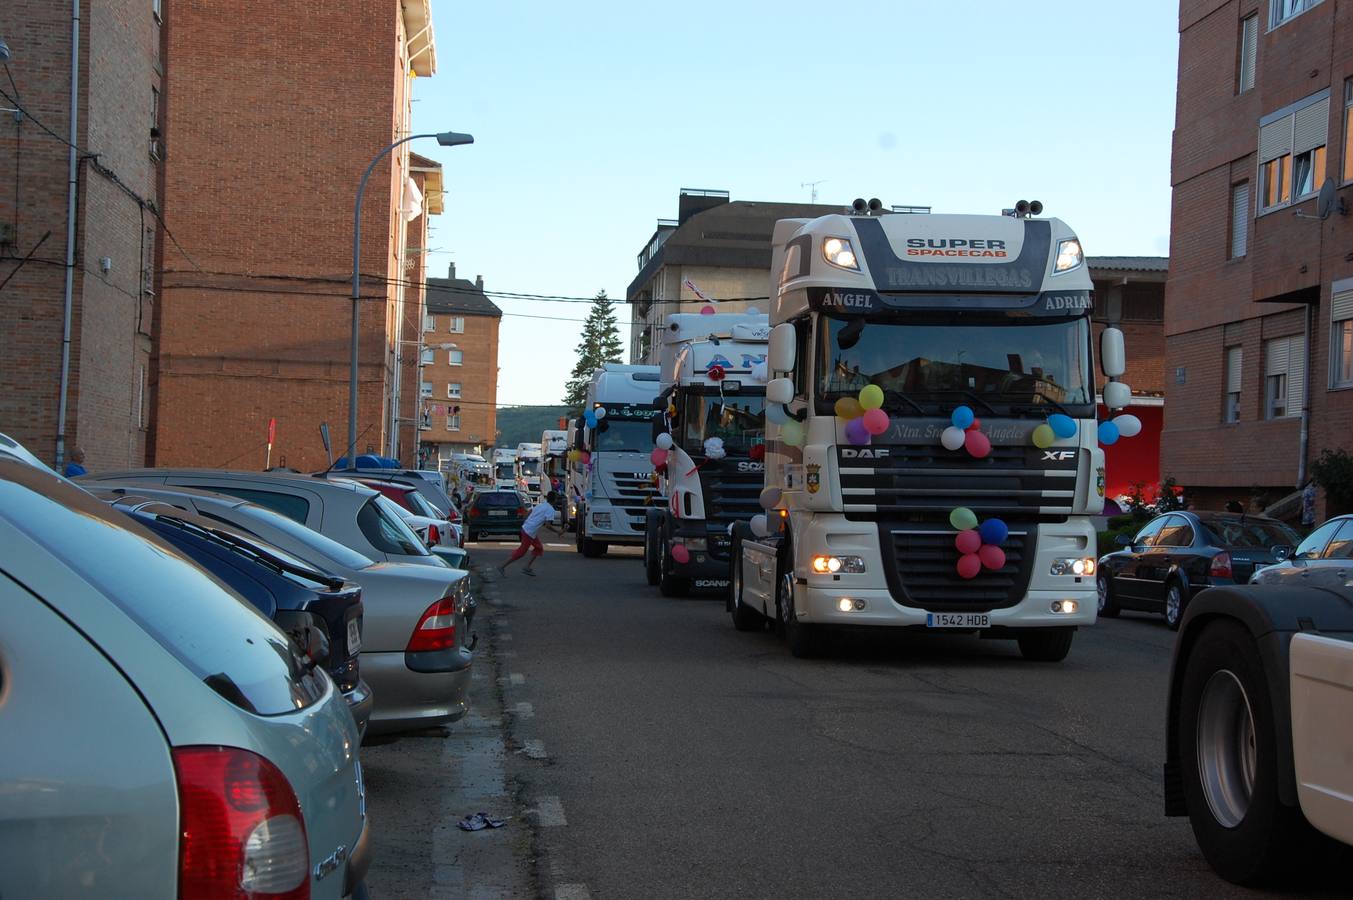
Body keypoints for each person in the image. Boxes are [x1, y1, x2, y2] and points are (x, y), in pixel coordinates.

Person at [498, 491, 561, 578]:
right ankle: (502, 566)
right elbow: (547, 525)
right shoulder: (550, 510)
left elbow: (530, 511)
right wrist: (558, 532)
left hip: (528, 529)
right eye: (557, 498)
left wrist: (526, 520)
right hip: (529, 532)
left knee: (539, 548)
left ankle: (527, 567)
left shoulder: (541, 505)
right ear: (554, 500)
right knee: (521, 552)